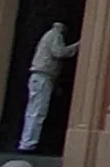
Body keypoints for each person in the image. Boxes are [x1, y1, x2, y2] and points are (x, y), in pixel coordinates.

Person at [17, 20, 79, 152]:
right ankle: (28, 144)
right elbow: (59, 53)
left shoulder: (48, 35)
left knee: (33, 110)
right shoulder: (55, 35)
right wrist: (77, 46)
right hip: (43, 76)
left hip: (39, 76)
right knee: (38, 111)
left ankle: (26, 142)